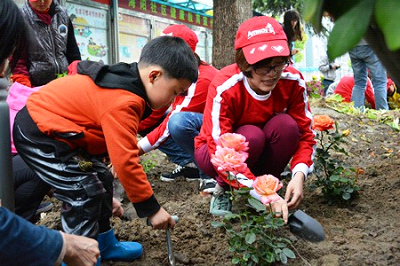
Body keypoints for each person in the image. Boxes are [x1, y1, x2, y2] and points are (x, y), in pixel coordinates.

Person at [13, 35, 198, 262]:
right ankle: (76, 257)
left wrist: (103, 190)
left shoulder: (128, 83)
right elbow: (126, 161)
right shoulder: (125, 101)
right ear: (154, 76)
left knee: (100, 177)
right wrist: (152, 209)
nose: (173, 100)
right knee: (82, 190)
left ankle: (103, 243)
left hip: (62, 132)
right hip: (39, 132)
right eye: (175, 92)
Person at [0, 0, 99, 265]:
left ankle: (22, 215)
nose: (4, 71)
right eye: (4, 58)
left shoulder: (62, 17)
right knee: (45, 161)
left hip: (50, 92)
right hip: (35, 94)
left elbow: (73, 56)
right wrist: (58, 244)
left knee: (47, 163)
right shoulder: (14, 100)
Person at [194, 16, 315, 222]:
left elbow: (306, 134)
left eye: (279, 64)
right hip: (214, 153)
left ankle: (264, 185)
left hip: (259, 151)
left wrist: (299, 174)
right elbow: (219, 150)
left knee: (287, 126)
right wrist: (264, 194)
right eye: (263, 67)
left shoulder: (292, 80)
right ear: (244, 63)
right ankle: (223, 189)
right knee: (251, 136)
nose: (272, 74)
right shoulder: (225, 86)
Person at [138, 24, 218, 193]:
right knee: (150, 124)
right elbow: (159, 108)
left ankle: (208, 172)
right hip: (202, 127)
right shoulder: (175, 73)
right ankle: (190, 164)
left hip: (220, 132)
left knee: (178, 123)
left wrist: (134, 150)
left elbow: (171, 122)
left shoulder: (200, 79)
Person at [11, 0, 81, 88]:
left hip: (64, 84)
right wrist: (25, 88)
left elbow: (73, 52)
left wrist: (75, 74)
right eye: (37, 0)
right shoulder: (20, 20)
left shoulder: (62, 16)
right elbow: (18, 62)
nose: (42, 2)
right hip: (35, 87)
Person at [349, 39, 388, 110]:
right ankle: (383, 114)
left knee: (359, 83)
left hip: (352, 45)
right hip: (370, 45)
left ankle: (356, 112)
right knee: (380, 82)